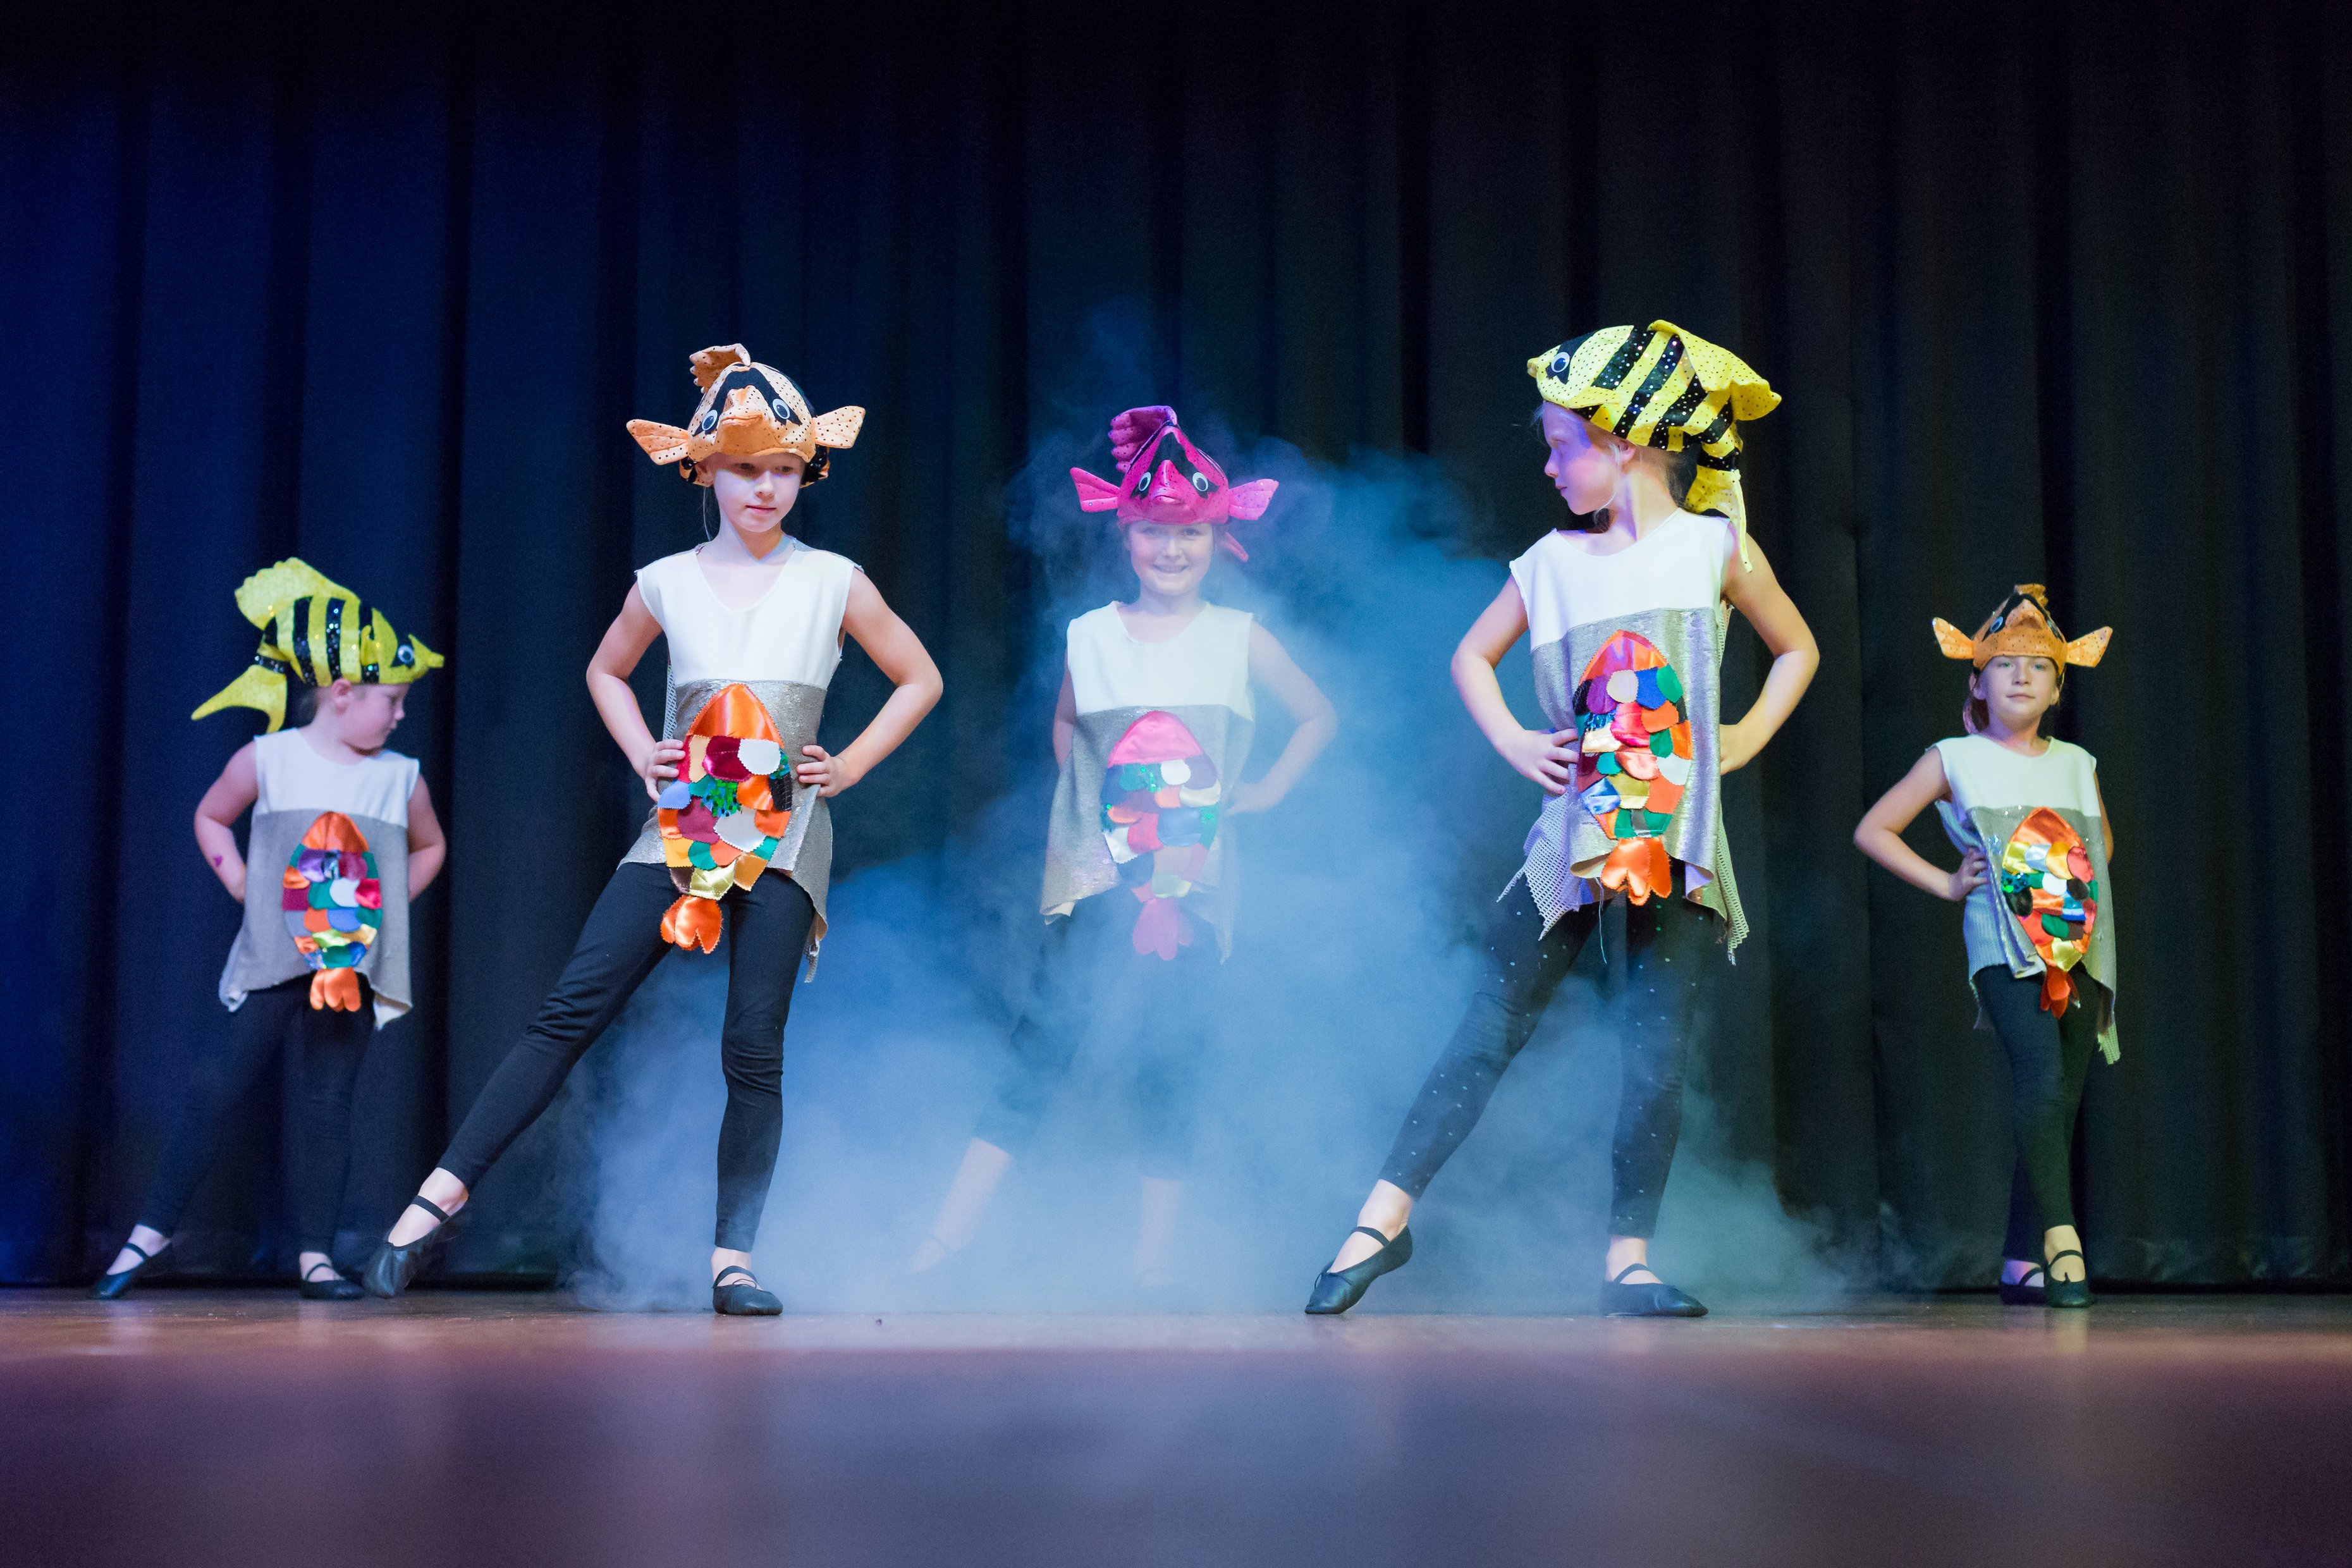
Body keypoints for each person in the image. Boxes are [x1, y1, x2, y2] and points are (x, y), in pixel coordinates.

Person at [360, 345, 941, 1315]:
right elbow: (606, 669)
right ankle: (433, 1205)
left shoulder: (834, 580)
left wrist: (848, 765)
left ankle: (733, 1260)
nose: (765, 488)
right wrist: (643, 751)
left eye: (783, 468)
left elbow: (920, 677)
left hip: (785, 834)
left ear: (805, 473)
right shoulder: (669, 580)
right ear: (704, 469)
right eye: (745, 468)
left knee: (752, 1044)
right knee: (569, 1011)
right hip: (680, 830)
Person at [1306, 322, 1817, 1318]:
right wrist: (1512, 740)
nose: (1548, 467)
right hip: (1574, 836)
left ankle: (1627, 1260)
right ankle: (1381, 1222)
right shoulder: (1550, 563)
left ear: (1622, 442)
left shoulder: (1713, 546)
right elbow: (1470, 656)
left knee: (1655, 1053)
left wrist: (1747, 734)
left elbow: (1797, 646)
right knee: (1489, 1025)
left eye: (1560, 445)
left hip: (1676, 842)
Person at [908, 406, 1335, 1288]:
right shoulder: (1090, 634)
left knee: (1170, 1059)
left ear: (1216, 538)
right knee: (1042, 1045)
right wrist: (1088, 804)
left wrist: (1264, 792)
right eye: (1153, 532)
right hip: (1095, 875)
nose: (1171, 549)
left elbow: (1318, 716)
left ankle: (1152, 1264)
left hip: (1194, 884)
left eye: (1189, 533)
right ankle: (946, 1239)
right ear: (1126, 534)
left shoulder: (1238, 637)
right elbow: (1068, 724)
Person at [94, 561, 446, 1300]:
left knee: (328, 1102)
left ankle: (316, 1255)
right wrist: (237, 879)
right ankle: (150, 1233)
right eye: (391, 701)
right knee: (216, 1086)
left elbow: (431, 846)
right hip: (273, 956)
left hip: (348, 968)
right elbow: (211, 814)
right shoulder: (270, 758)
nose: (398, 716)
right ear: (342, 693)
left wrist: (385, 911)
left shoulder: (400, 776)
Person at [1853, 585, 2117, 1308]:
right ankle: (2062, 1239)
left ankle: (2017, 1260)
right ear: (1978, 681)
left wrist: (2063, 875)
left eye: (2039, 666)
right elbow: (1874, 828)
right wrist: (1947, 881)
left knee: (2059, 1099)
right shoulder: (1955, 757)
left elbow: (2103, 843)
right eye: (2004, 663)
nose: (2022, 675)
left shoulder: (2077, 761)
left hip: (2082, 946)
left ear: (2058, 687)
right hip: (2005, 946)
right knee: (2040, 1076)